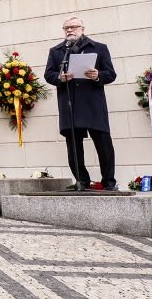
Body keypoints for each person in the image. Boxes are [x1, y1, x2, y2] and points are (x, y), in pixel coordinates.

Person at [44, 16, 118, 191]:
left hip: (93, 104)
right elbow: (49, 74)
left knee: (103, 143)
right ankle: (82, 181)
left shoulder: (99, 48)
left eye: (74, 27)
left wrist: (97, 75)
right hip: (70, 103)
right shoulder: (56, 51)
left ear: (82, 28)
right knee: (74, 147)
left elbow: (111, 74)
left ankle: (109, 181)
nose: (70, 30)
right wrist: (59, 78)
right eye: (66, 28)